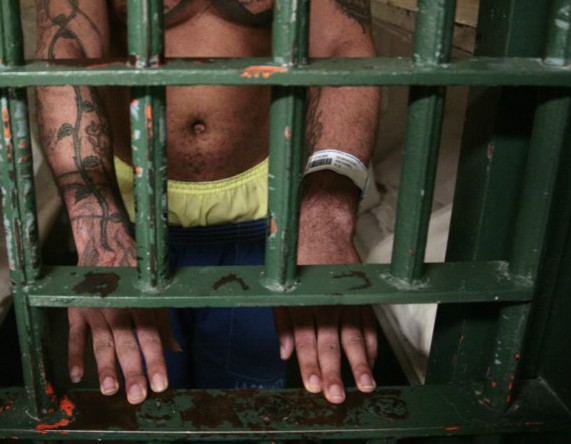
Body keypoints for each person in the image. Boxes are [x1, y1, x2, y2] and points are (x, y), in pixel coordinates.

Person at [34, 0, 380, 406]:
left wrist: (327, 214)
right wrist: (96, 228)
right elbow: (66, 50)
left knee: (247, 406)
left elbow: (343, 46)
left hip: (268, 204)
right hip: (126, 211)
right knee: (144, 405)